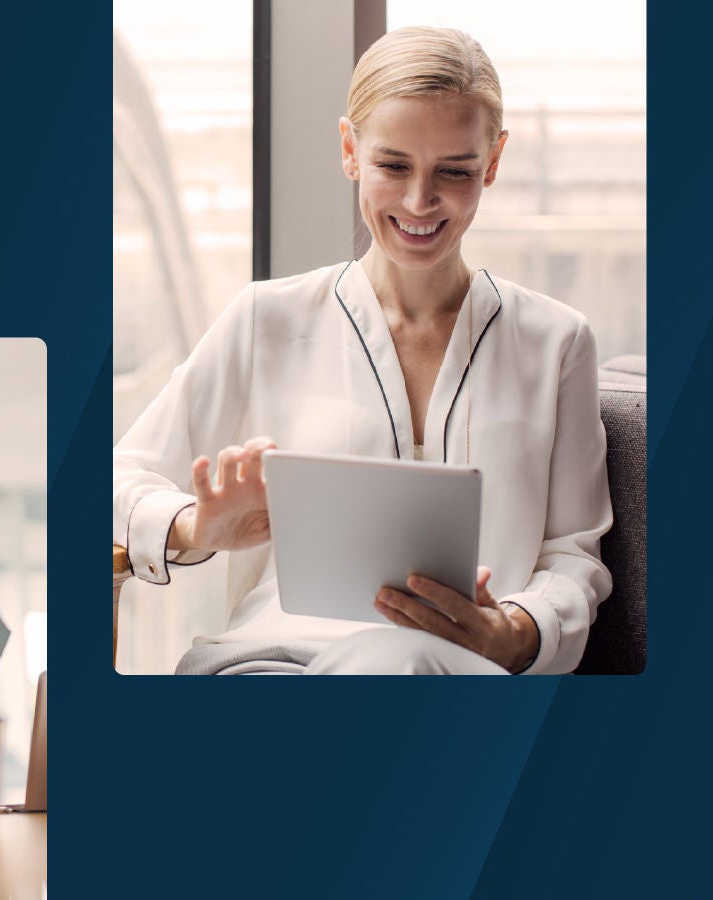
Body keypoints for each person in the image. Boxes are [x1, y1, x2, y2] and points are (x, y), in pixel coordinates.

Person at [112, 27, 613, 675]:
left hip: (458, 684)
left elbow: (574, 556)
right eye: (393, 165)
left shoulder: (558, 343)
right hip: (271, 672)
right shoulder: (267, 320)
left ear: (493, 162)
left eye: (454, 172)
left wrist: (516, 631)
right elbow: (113, 483)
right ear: (350, 150)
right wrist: (193, 528)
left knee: (402, 665)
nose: (418, 201)